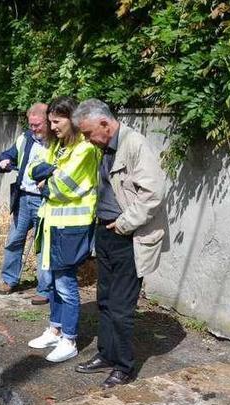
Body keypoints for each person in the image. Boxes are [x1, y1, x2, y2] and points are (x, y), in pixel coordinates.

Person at [71, 98, 167, 388]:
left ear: (104, 123)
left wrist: (124, 224)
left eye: (88, 134)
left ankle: (124, 366)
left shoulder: (135, 145)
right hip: (106, 233)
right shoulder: (105, 148)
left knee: (122, 307)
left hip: (128, 236)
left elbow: (153, 193)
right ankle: (107, 355)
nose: (88, 140)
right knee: (105, 300)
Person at [26, 96, 100, 363]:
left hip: (71, 227)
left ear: (73, 120)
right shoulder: (58, 147)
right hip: (52, 223)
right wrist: (46, 175)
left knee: (65, 284)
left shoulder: (85, 150)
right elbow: (34, 169)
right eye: (50, 121)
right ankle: (55, 329)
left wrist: (48, 182)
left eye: (57, 121)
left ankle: (70, 339)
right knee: (53, 281)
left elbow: (61, 188)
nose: (52, 127)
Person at [0, 102, 53, 305]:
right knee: (14, 240)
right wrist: (2, 162)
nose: (33, 128)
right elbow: (6, 155)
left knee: (43, 247)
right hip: (22, 198)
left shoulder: (58, 143)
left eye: (37, 125)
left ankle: (44, 289)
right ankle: (10, 280)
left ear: (48, 122)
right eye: (31, 124)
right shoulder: (25, 139)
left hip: (44, 201)